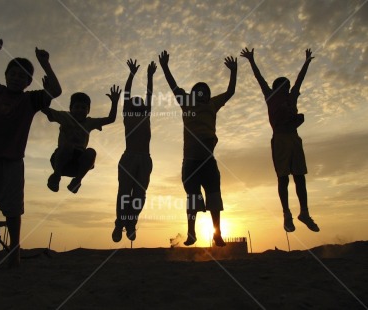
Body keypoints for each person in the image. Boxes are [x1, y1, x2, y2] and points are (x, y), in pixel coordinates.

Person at [0, 38, 62, 268]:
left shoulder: (30, 100)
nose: (17, 78)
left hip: (14, 163)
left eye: (23, 76)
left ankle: (14, 251)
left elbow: (56, 90)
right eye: (13, 74)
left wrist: (45, 64)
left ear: (28, 82)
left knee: (13, 211)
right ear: (6, 75)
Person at [158, 50, 237, 247]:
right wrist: (165, 66)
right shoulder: (186, 103)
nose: (201, 94)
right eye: (198, 92)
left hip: (208, 161)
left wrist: (234, 72)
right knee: (192, 198)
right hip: (191, 162)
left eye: (205, 92)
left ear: (208, 95)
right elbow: (173, 86)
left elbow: (230, 92)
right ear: (193, 94)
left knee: (214, 196)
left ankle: (217, 234)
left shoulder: (212, 104)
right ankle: (192, 233)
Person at [240, 47, 319, 233]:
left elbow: (300, 80)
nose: (289, 87)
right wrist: (251, 60)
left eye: (289, 85)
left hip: (294, 139)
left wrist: (306, 62)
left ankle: (304, 213)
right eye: (285, 84)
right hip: (280, 140)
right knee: (283, 179)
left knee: (300, 178)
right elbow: (259, 78)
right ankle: (287, 214)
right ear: (278, 86)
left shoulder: (292, 97)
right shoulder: (271, 95)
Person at [42, 85, 121, 193]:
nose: (80, 110)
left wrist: (115, 102)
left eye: (84, 108)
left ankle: (77, 181)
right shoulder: (64, 116)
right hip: (61, 160)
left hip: (78, 165)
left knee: (91, 152)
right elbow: (45, 109)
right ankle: (56, 176)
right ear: (71, 108)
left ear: (88, 111)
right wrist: (47, 93)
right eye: (77, 107)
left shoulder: (89, 122)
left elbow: (111, 119)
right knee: (68, 146)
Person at [112, 59, 156, 242]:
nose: (138, 101)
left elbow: (149, 94)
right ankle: (119, 223)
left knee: (139, 194)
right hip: (129, 157)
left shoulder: (146, 114)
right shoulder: (127, 114)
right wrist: (131, 73)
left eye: (140, 102)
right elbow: (127, 93)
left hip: (144, 159)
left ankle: (131, 222)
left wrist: (149, 75)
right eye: (134, 101)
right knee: (124, 192)